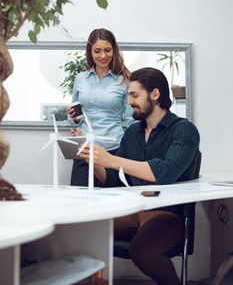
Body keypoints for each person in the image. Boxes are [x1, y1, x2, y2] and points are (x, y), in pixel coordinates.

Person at [80, 67, 200, 285]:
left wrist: (112, 160)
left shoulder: (184, 130)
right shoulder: (133, 132)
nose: (128, 102)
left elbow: (166, 172)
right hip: (132, 208)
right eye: (128, 95)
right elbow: (115, 179)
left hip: (167, 214)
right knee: (81, 228)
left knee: (143, 251)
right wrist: (95, 161)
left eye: (134, 95)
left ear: (155, 95)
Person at [68, 28, 134, 186]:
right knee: (79, 200)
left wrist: (130, 149)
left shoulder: (125, 80)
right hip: (84, 150)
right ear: (90, 52)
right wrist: (73, 117)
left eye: (107, 50)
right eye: (97, 51)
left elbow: (132, 120)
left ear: (114, 50)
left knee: (112, 203)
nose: (103, 56)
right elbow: (75, 119)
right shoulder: (80, 79)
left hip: (113, 149)